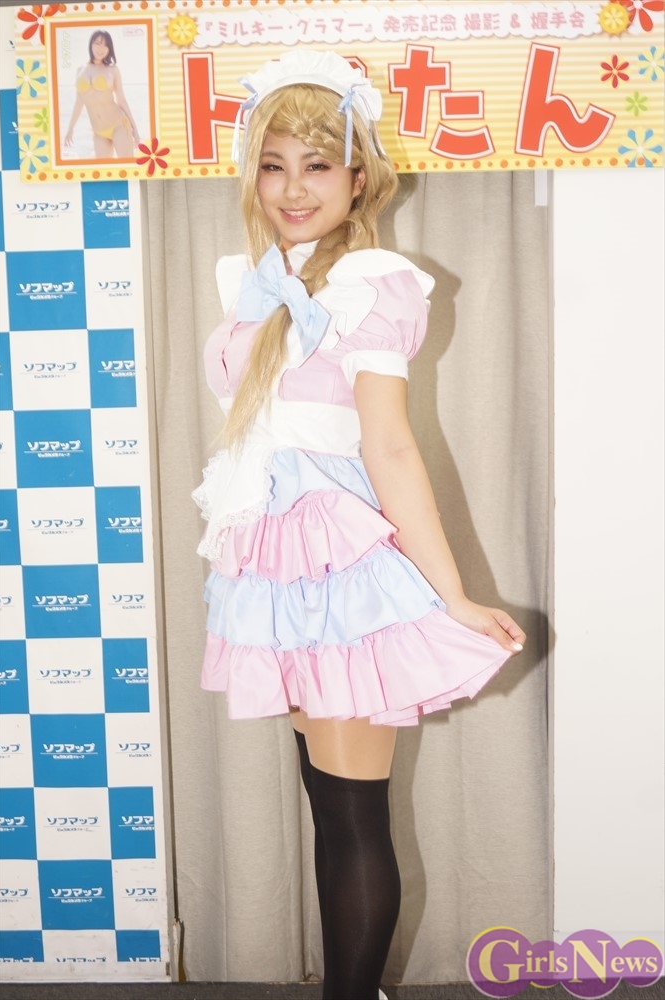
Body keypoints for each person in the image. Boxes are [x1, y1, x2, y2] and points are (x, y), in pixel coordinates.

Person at [193, 50, 526, 1000]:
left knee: (350, 815)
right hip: (275, 559)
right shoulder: (260, 280)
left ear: (358, 177)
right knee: (327, 805)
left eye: (317, 164)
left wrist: (452, 596)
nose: (292, 187)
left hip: (336, 564)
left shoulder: (373, 282)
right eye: (273, 164)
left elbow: (389, 449)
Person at [64, 30, 139, 158]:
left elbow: (121, 101)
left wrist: (135, 130)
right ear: (91, 44)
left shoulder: (112, 70)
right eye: (98, 43)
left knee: (126, 165)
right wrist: (70, 128)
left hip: (119, 126)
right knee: (103, 169)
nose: (101, 48)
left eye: (105, 45)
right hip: (99, 132)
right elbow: (79, 102)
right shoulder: (80, 70)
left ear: (109, 49)